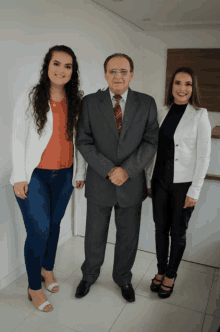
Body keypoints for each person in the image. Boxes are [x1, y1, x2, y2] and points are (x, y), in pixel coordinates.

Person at [75, 53, 159, 303]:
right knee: (94, 235)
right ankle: (89, 276)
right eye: (113, 71)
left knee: (128, 237)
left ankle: (123, 278)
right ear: (105, 74)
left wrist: (127, 170)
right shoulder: (90, 102)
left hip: (131, 184)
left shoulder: (147, 103)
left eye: (123, 71)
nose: (118, 76)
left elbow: (151, 140)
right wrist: (109, 169)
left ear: (132, 74)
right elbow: (84, 140)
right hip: (100, 181)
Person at [10, 45, 86, 312]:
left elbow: (80, 141)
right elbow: (18, 139)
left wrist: (80, 172)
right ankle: (33, 287)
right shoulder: (30, 97)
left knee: (54, 225)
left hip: (64, 174)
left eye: (67, 66)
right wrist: (20, 176)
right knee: (38, 231)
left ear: (73, 71)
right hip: (35, 176)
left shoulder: (77, 99)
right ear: (47, 65)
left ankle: (47, 269)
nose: (61, 70)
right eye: (57, 64)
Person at [146, 67, 211, 298]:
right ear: (171, 86)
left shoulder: (199, 114)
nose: (182, 89)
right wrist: (148, 180)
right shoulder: (163, 111)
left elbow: (204, 156)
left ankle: (171, 275)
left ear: (193, 88)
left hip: (183, 185)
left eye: (187, 84)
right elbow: (154, 149)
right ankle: (161, 270)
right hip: (159, 181)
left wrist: (195, 190)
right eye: (177, 83)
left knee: (178, 232)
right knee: (159, 230)